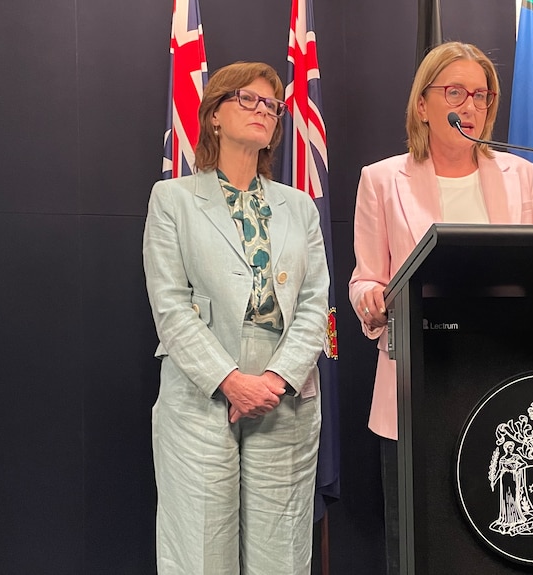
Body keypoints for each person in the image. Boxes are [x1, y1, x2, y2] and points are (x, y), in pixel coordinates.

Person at [348, 41, 533, 574]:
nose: (470, 105)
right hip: (417, 374)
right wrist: (370, 298)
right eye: (455, 92)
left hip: (498, 370)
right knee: (419, 532)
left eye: (481, 95)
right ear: (423, 105)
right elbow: (366, 277)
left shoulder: (521, 175)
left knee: (497, 525)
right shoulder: (381, 178)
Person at [143, 61, 330, 575]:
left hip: (283, 395)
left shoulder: (300, 208)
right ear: (214, 115)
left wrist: (275, 378)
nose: (263, 110)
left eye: (272, 105)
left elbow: (316, 304)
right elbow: (170, 306)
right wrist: (229, 381)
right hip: (201, 392)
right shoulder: (173, 200)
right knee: (201, 553)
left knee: (282, 556)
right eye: (248, 99)